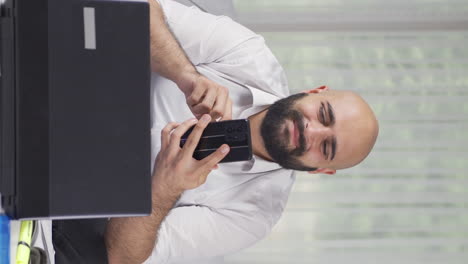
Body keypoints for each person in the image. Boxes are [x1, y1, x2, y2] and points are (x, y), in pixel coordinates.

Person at [105, 0, 379, 263]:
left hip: (80, 185)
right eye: (323, 114)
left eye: (326, 147)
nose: (311, 131)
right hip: (83, 81)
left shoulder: (254, 217)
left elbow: (124, 257)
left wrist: (165, 187)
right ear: (314, 92)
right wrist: (186, 74)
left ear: (321, 170)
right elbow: (138, 8)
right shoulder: (249, 55)